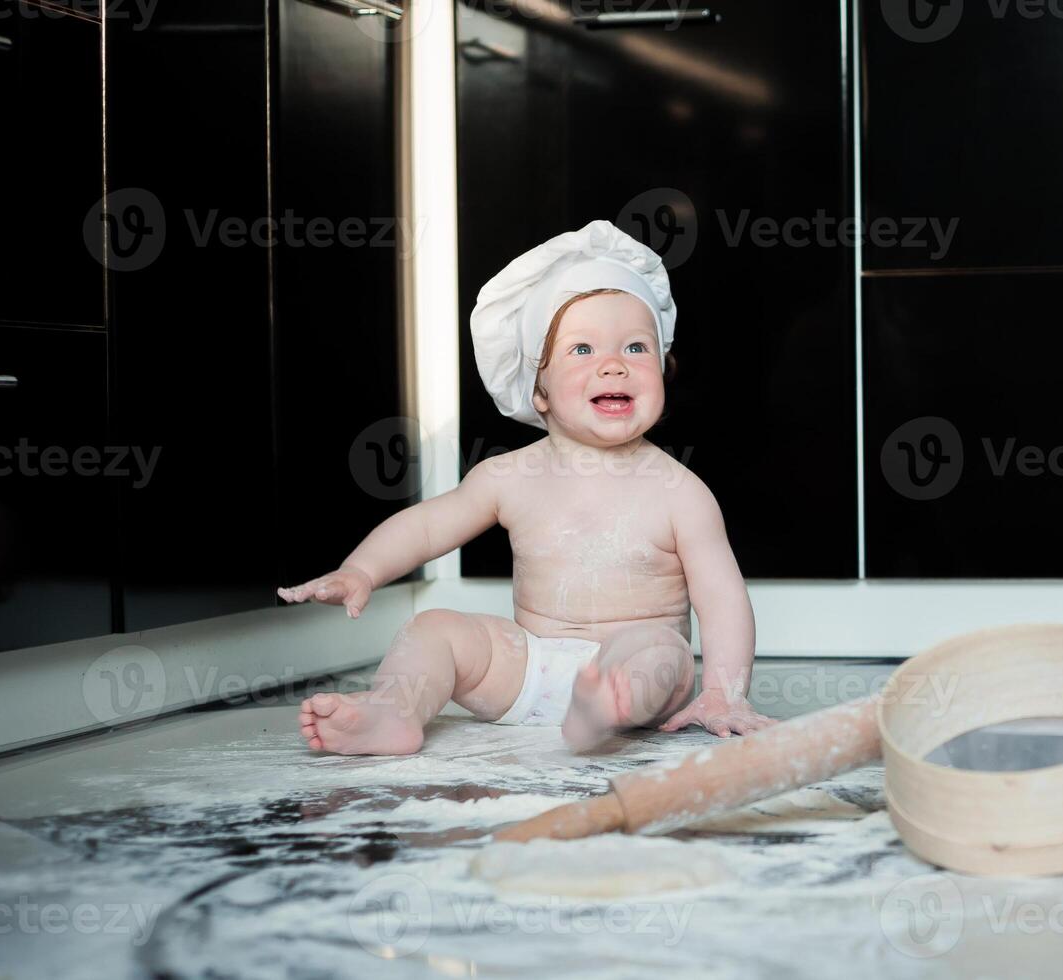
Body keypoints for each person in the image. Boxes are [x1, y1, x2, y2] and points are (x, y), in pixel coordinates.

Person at [282, 219, 775, 754]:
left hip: (639, 679)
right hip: (529, 667)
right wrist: (362, 569)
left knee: (660, 650)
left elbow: (722, 598)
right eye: (583, 350)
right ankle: (393, 712)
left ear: (662, 368)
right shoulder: (508, 476)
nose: (613, 365)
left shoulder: (680, 491)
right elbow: (426, 527)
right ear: (537, 389)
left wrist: (725, 693)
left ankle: (602, 708)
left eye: (636, 348)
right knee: (434, 628)